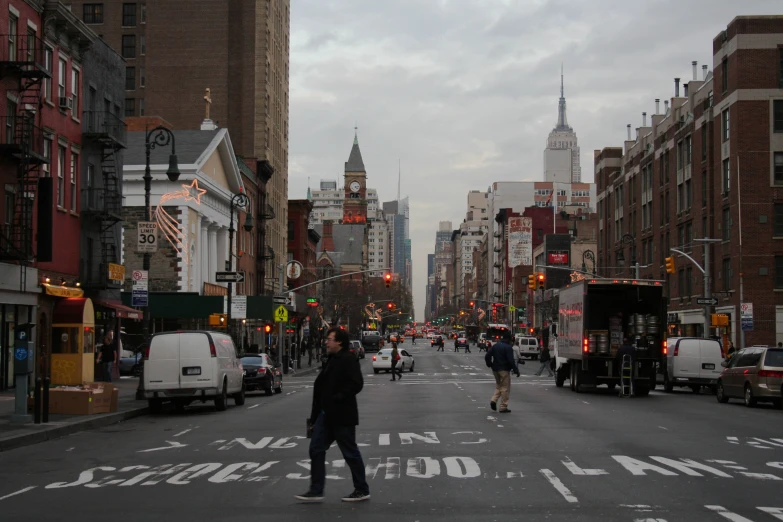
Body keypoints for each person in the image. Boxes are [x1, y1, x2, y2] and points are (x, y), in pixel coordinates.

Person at [296, 326, 370, 503]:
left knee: (350, 452)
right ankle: (316, 490)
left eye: (329, 339)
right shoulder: (331, 359)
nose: (326, 342)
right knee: (316, 448)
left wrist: (338, 397)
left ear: (339, 342)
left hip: (342, 415)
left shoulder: (347, 359)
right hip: (325, 415)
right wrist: (314, 419)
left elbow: (356, 383)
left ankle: (361, 489)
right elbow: (320, 390)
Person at [485, 330, 519, 413]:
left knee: (499, 386)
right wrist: (515, 370)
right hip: (504, 369)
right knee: (505, 388)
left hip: (495, 369)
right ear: (509, 339)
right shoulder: (508, 348)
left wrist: (490, 364)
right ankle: (503, 406)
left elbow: (487, 355)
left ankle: (494, 400)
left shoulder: (495, 346)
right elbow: (511, 360)